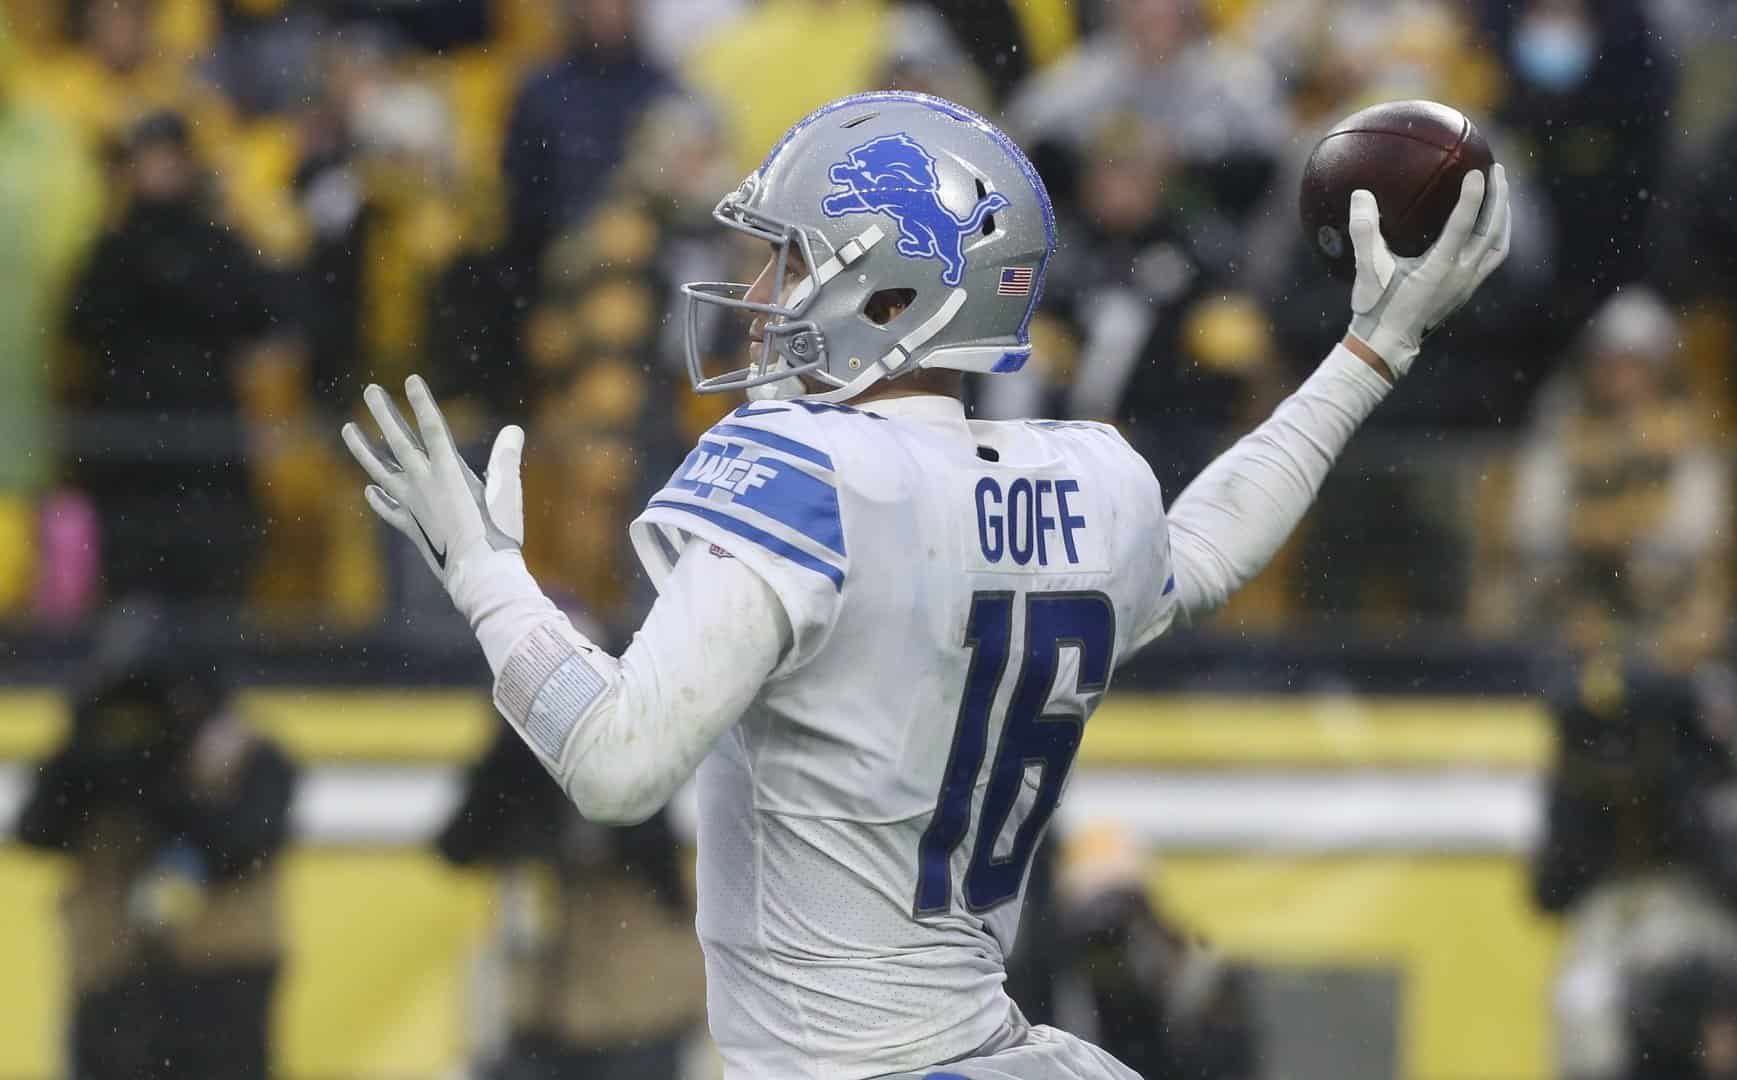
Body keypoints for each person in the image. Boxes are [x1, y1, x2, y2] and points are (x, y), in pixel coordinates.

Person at [341, 91, 1510, 1078]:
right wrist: (1368, 358)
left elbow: (616, 764)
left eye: (794, 257)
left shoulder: (805, 471)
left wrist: (487, 578)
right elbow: (1202, 553)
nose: (763, 287)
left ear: (893, 297)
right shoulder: (1085, 480)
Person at [16, 632, 296, 1080]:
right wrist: (86, 749)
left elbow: (234, 845)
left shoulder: (251, 756)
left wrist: (158, 775)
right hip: (115, 975)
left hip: (223, 978)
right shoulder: (97, 754)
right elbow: (34, 829)